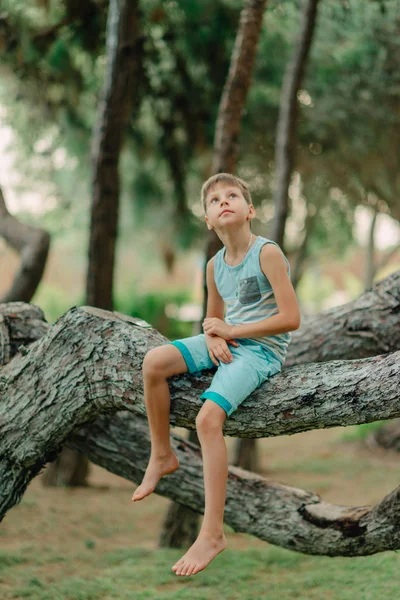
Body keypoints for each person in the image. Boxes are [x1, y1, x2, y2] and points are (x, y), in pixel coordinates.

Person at [132, 173, 301, 577]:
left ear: (250, 210)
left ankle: (212, 533)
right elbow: (213, 319)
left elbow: (291, 319)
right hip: (226, 340)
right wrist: (212, 336)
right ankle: (162, 453)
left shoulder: (268, 253)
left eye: (232, 196)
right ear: (208, 219)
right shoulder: (213, 266)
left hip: (261, 351)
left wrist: (231, 332)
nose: (223, 202)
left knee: (208, 419)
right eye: (214, 201)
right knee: (154, 362)